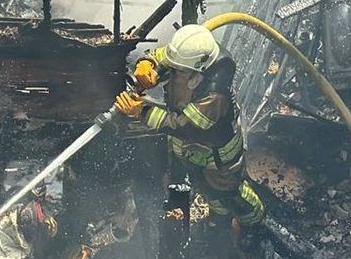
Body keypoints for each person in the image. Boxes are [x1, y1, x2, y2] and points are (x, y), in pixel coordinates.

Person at [114, 24, 266, 233]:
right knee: (204, 189)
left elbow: (185, 127)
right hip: (193, 152)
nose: (173, 71)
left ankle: (253, 224)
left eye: (179, 71)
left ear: (197, 72)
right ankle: (218, 221)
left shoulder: (214, 94)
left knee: (226, 194)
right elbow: (165, 57)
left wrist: (142, 112)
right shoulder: (192, 56)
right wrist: (148, 64)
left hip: (218, 158)